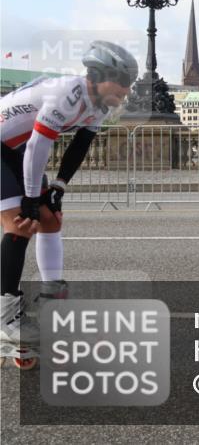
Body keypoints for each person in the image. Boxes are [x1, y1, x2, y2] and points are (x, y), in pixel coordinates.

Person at [0, 41, 137, 353]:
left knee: (50, 219)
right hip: (10, 149)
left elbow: (79, 147)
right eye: (124, 83)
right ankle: (6, 319)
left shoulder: (99, 105)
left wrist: (58, 188)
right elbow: (37, 147)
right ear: (101, 75)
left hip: (11, 150)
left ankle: (52, 301)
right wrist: (32, 199)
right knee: (20, 224)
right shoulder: (67, 93)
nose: (127, 91)